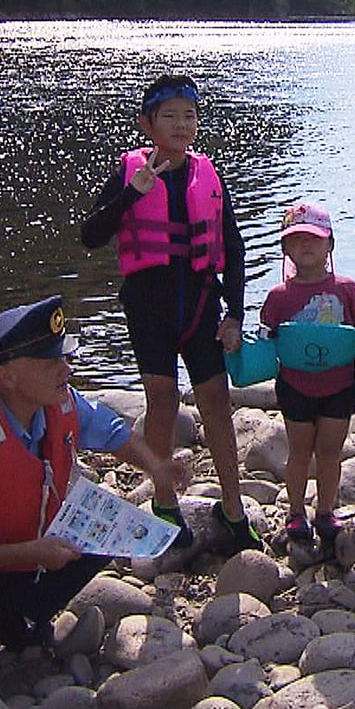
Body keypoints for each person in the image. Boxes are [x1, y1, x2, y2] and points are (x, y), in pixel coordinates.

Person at [0, 296, 186, 693]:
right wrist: (34, 552)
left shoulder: (57, 399)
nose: (67, 369)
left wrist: (157, 467)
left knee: (104, 532)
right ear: (7, 376)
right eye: (50, 364)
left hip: (9, 544)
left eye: (63, 358)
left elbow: (110, 430)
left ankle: (18, 624)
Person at [80, 74, 258, 550]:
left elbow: (234, 250)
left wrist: (235, 314)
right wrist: (132, 194)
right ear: (147, 124)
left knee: (216, 400)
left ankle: (234, 505)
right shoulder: (131, 173)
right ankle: (164, 502)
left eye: (190, 115)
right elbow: (91, 235)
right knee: (162, 400)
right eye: (170, 116)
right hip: (149, 308)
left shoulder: (209, 174)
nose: (182, 125)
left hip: (200, 304)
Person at [260, 202, 355, 554]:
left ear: (330, 245)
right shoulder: (279, 296)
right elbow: (266, 339)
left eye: (313, 238)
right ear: (285, 249)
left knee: (329, 451)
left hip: (339, 385)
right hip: (295, 385)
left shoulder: (348, 289)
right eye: (296, 240)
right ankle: (296, 512)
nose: (305, 246)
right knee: (299, 451)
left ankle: (325, 511)